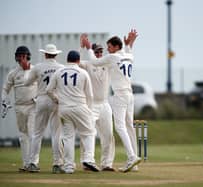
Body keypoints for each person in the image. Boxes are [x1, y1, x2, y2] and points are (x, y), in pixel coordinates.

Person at [81, 29, 141, 172]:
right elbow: (128, 51)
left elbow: (95, 62)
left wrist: (89, 48)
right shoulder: (129, 56)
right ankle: (134, 162)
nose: (107, 50)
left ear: (115, 47)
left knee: (120, 127)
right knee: (129, 127)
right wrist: (130, 43)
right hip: (130, 95)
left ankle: (132, 157)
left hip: (120, 95)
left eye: (109, 47)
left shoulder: (112, 57)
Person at [46, 50, 98, 174]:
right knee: (89, 133)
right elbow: (89, 95)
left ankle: (69, 166)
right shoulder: (83, 72)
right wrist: (89, 110)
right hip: (80, 107)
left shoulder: (59, 72)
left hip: (64, 109)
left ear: (67, 60)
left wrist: (57, 99)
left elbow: (48, 90)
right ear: (78, 61)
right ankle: (88, 159)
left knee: (68, 137)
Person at [24, 44, 64, 173]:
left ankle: (32, 163)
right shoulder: (61, 68)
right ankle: (57, 164)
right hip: (55, 100)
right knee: (56, 134)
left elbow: (27, 83)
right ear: (56, 55)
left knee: (37, 133)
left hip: (41, 99)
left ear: (45, 54)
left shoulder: (38, 67)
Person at [79, 43, 115, 171]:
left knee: (108, 134)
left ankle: (106, 164)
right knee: (89, 133)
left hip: (105, 104)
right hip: (91, 104)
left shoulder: (107, 63)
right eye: (97, 52)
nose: (99, 54)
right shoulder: (87, 64)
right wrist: (82, 47)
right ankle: (86, 162)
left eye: (101, 52)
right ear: (92, 53)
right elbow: (75, 63)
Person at [1, 46, 37, 171]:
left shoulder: (34, 70)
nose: (21, 58)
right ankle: (26, 164)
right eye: (19, 55)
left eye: (23, 55)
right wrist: (4, 100)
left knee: (32, 134)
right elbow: (6, 88)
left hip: (33, 106)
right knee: (23, 136)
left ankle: (33, 163)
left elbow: (44, 85)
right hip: (19, 106)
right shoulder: (13, 73)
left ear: (28, 56)